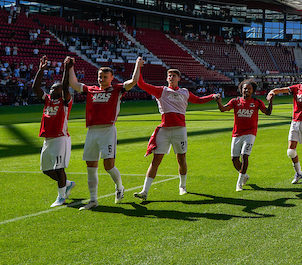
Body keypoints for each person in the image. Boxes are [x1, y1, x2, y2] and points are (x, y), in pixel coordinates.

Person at [66, 56, 143, 209]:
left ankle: (119, 186)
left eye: (105, 77)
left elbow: (133, 81)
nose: (101, 79)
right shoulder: (91, 89)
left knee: (108, 166)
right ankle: (93, 200)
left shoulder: (117, 89)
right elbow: (73, 83)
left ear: (111, 78)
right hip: (92, 131)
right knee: (90, 167)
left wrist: (137, 65)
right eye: (100, 76)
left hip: (108, 130)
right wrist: (70, 67)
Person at [133, 68, 219, 201]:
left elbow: (198, 100)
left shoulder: (184, 92)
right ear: (167, 79)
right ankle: (144, 191)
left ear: (179, 78)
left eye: (174, 75)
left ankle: (182, 186)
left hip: (179, 131)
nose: (171, 77)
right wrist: (138, 66)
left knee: (181, 159)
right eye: (169, 76)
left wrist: (212, 96)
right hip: (164, 130)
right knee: (156, 161)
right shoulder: (161, 91)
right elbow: (141, 84)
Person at [268, 67, 302, 185]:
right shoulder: (296, 88)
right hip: (295, 121)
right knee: (290, 151)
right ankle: (298, 173)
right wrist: (272, 92)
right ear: (301, 75)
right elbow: (281, 90)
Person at [217, 79, 273, 191]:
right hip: (237, 133)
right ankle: (244, 175)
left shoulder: (257, 102)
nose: (246, 90)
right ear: (241, 90)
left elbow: (267, 112)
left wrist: (271, 101)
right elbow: (223, 109)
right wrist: (218, 102)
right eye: (244, 88)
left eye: (249, 88)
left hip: (250, 133)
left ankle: (239, 183)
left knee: (245, 155)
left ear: (253, 90)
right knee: (234, 159)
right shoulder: (235, 101)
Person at [33, 56, 75, 208]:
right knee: (46, 169)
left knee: (59, 168)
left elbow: (65, 86)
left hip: (60, 138)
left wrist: (66, 69)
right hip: (48, 139)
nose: (52, 90)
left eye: (55, 88)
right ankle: (68, 184)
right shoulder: (48, 100)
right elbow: (35, 88)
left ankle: (61, 196)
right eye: (51, 88)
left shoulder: (65, 102)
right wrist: (41, 69)